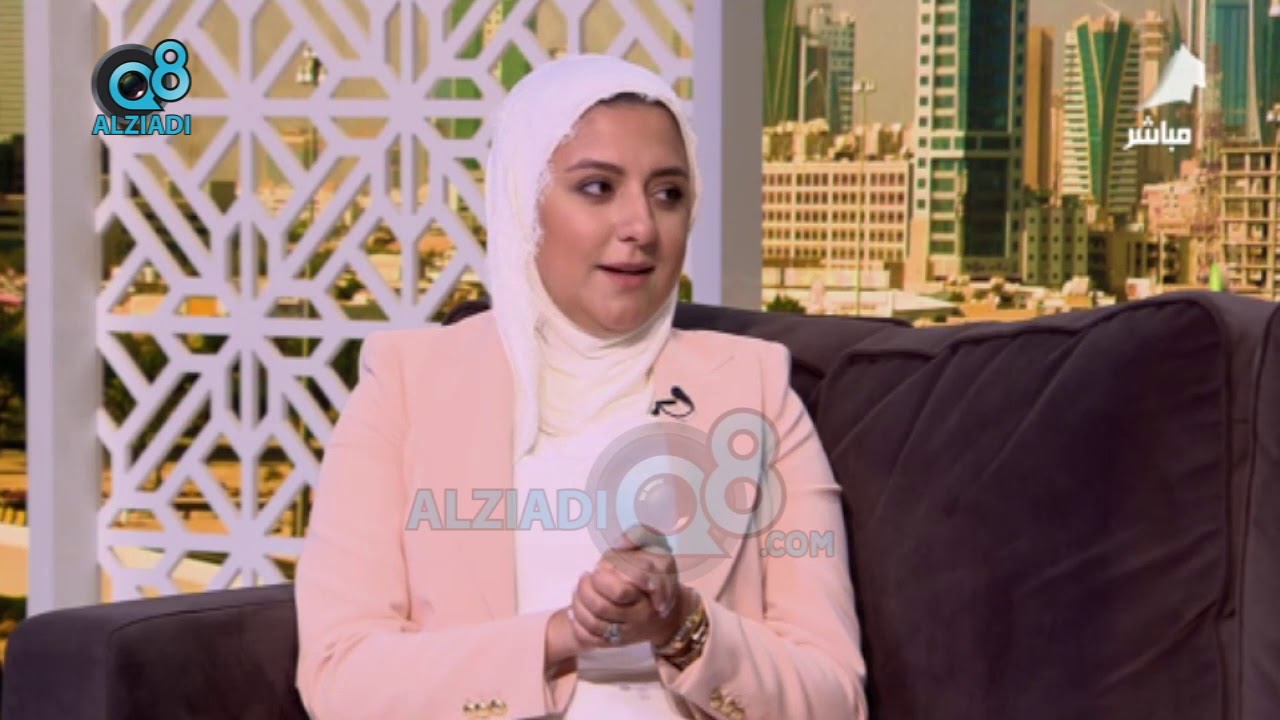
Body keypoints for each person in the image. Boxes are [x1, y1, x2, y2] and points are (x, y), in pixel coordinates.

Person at [294, 53, 868, 719]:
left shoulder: (756, 390)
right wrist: (563, 636)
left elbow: (835, 699)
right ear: (524, 202)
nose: (641, 227)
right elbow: (341, 676)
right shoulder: (407, 384)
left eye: (668, 194)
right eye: (598, 188)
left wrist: (682, 625)